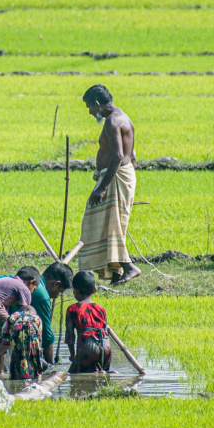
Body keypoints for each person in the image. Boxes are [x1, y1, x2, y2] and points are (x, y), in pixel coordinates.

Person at [78, 84, 141, 286]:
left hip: (115, 178)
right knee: (108, 223)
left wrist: (101, 187)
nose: (89, 112)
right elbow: (132, 155)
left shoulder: (112, 122)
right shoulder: (124, 117)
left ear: (97, 104)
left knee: (110, 224)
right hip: (122, 176)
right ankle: (115, 272)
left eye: (90, 107)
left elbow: (117, 156)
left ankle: (129, 267)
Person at [0, 305, 45, 380]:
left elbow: (5, 331)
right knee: (34, 357)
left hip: (16, 332)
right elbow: (39, 336)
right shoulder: (37, 318)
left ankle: (15, 377)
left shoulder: (13, 316)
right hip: (31, 334)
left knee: (16, 356)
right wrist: (38, 347)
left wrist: (7, 341)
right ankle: (37, 377)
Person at [65, 271, 112, 373]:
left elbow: (70, 337)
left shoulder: (72, 309)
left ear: (75, 291)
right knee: (102, 376)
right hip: (105, 346)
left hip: (88, 347)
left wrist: (73, 356)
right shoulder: (101, 309)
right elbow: (105, 331)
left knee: (74, 375)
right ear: (94, 289)